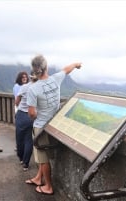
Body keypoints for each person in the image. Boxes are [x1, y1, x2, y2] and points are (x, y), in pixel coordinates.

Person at [25, 55, 81, 195]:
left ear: (34, 69)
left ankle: (48, 186)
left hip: (40, 128)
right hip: (54, 125)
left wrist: (40, 114)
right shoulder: (55, 79)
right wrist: (76, 63)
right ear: (46, 67)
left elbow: (31, 113)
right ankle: (39, 178)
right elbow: (66, 70)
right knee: (43, 155)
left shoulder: (33, 89)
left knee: (42, 158)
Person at [15, 71, 38, 171]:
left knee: (19, 138)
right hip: (32, 116)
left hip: (21, 114)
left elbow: (17, 101)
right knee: (29, 139)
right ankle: (26, 163)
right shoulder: (39, 88)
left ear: (30, 77)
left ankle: (21, 158)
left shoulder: (24, 87)